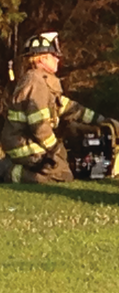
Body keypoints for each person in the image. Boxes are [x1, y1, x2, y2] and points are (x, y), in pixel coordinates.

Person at [0, 32, 107, 184]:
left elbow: (68, 107)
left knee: (66, 168)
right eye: (54, 55)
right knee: (60, 175)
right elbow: (39, 125)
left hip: (28, 142)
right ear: (43, 58)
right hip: (22, 145)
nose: (58, 59)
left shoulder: (44, 81)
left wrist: (101, 120)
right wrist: (55, 149)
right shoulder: (36, 83)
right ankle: (6, 171)